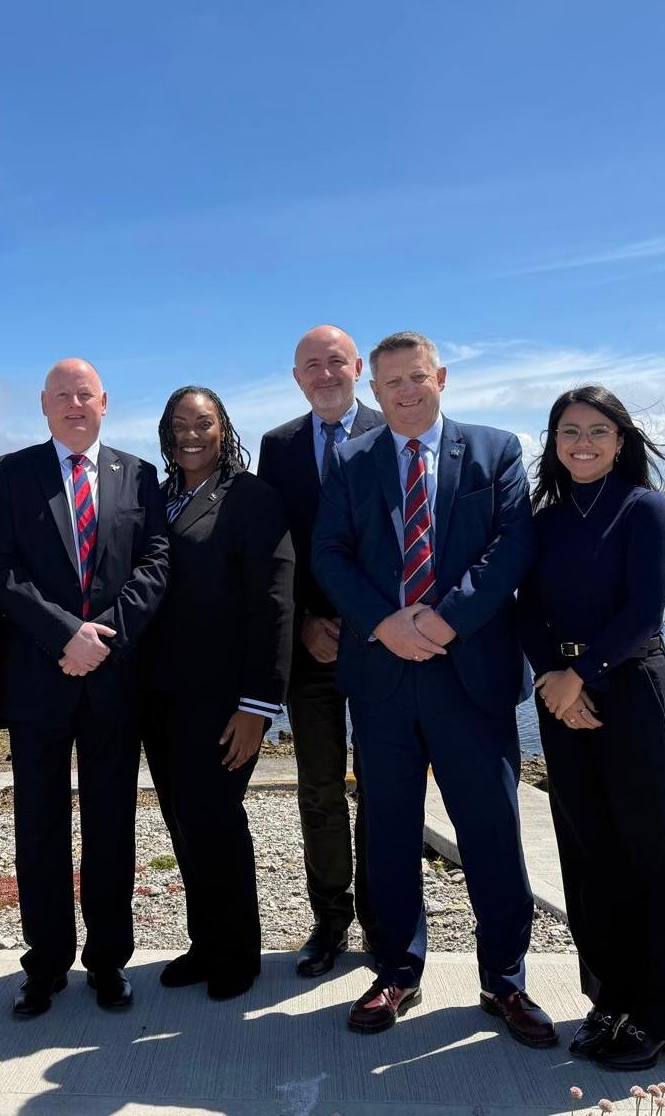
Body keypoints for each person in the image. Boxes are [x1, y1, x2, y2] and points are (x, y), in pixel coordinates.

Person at [313, 331, 555, 1046]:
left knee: (490, 832)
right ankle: (395, 972)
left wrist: (445, 623)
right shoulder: (352, 461)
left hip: (469, 674)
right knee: (387, 832)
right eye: (391, 384)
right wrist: (384, 624)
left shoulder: (494, 449)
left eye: (416, 378)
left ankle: (504, 982)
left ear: (440, 376)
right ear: (374, 389)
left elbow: (512, 545)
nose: (405, 392)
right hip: (382, 679)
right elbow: (329, 551)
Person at [517, 385, 665, 1071]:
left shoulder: (646, 510)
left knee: (650, 855)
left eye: (597, 431)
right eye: (568, 430)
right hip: (562, 699)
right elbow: (525, 612)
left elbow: (642, 612)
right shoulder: (544, 519)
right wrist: (552, 677)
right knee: (589, 854)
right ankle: (612, 998)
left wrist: (582, 675)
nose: (582, 442)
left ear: (621, 440)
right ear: (553, 441)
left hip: (630, 692)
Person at [0, 358, 168, 1017]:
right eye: (61, 395)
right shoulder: (12, 474)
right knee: (38, 830)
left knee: (112, 828)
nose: (74, 404)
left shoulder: (138, 475)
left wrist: (105, 635)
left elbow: (155, 562)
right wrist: (67, 635)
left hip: (113, 681)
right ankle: (45, 964)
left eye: (84, 394)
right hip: (41, 679)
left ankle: (108, 962)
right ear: (43, 405)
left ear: (105, 402)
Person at [141, 386, 294, 1000]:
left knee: (216, 818)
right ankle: (204, 944)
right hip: (160, 694)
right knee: (183, 821)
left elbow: (276, 603)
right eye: (179, 424)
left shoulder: (253, 499)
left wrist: (259, 707)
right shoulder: (159, 497)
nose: (190, 435)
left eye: (203, 423)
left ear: (223, 427)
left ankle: (239, 952)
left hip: (227, 699)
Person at [257, 325, 385, 976]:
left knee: (384, 788)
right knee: (319, 789)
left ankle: (386, 923)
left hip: (382, 645)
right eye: (312, 365)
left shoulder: (394, 435)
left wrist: (369, 622)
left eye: (336, 361)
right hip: (309, 649)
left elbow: (403, 544)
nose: (325, 373)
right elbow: (276, 550)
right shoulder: (276, 448)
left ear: (358, 367)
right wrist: (305, 620)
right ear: (297, 377)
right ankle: (330, 921)